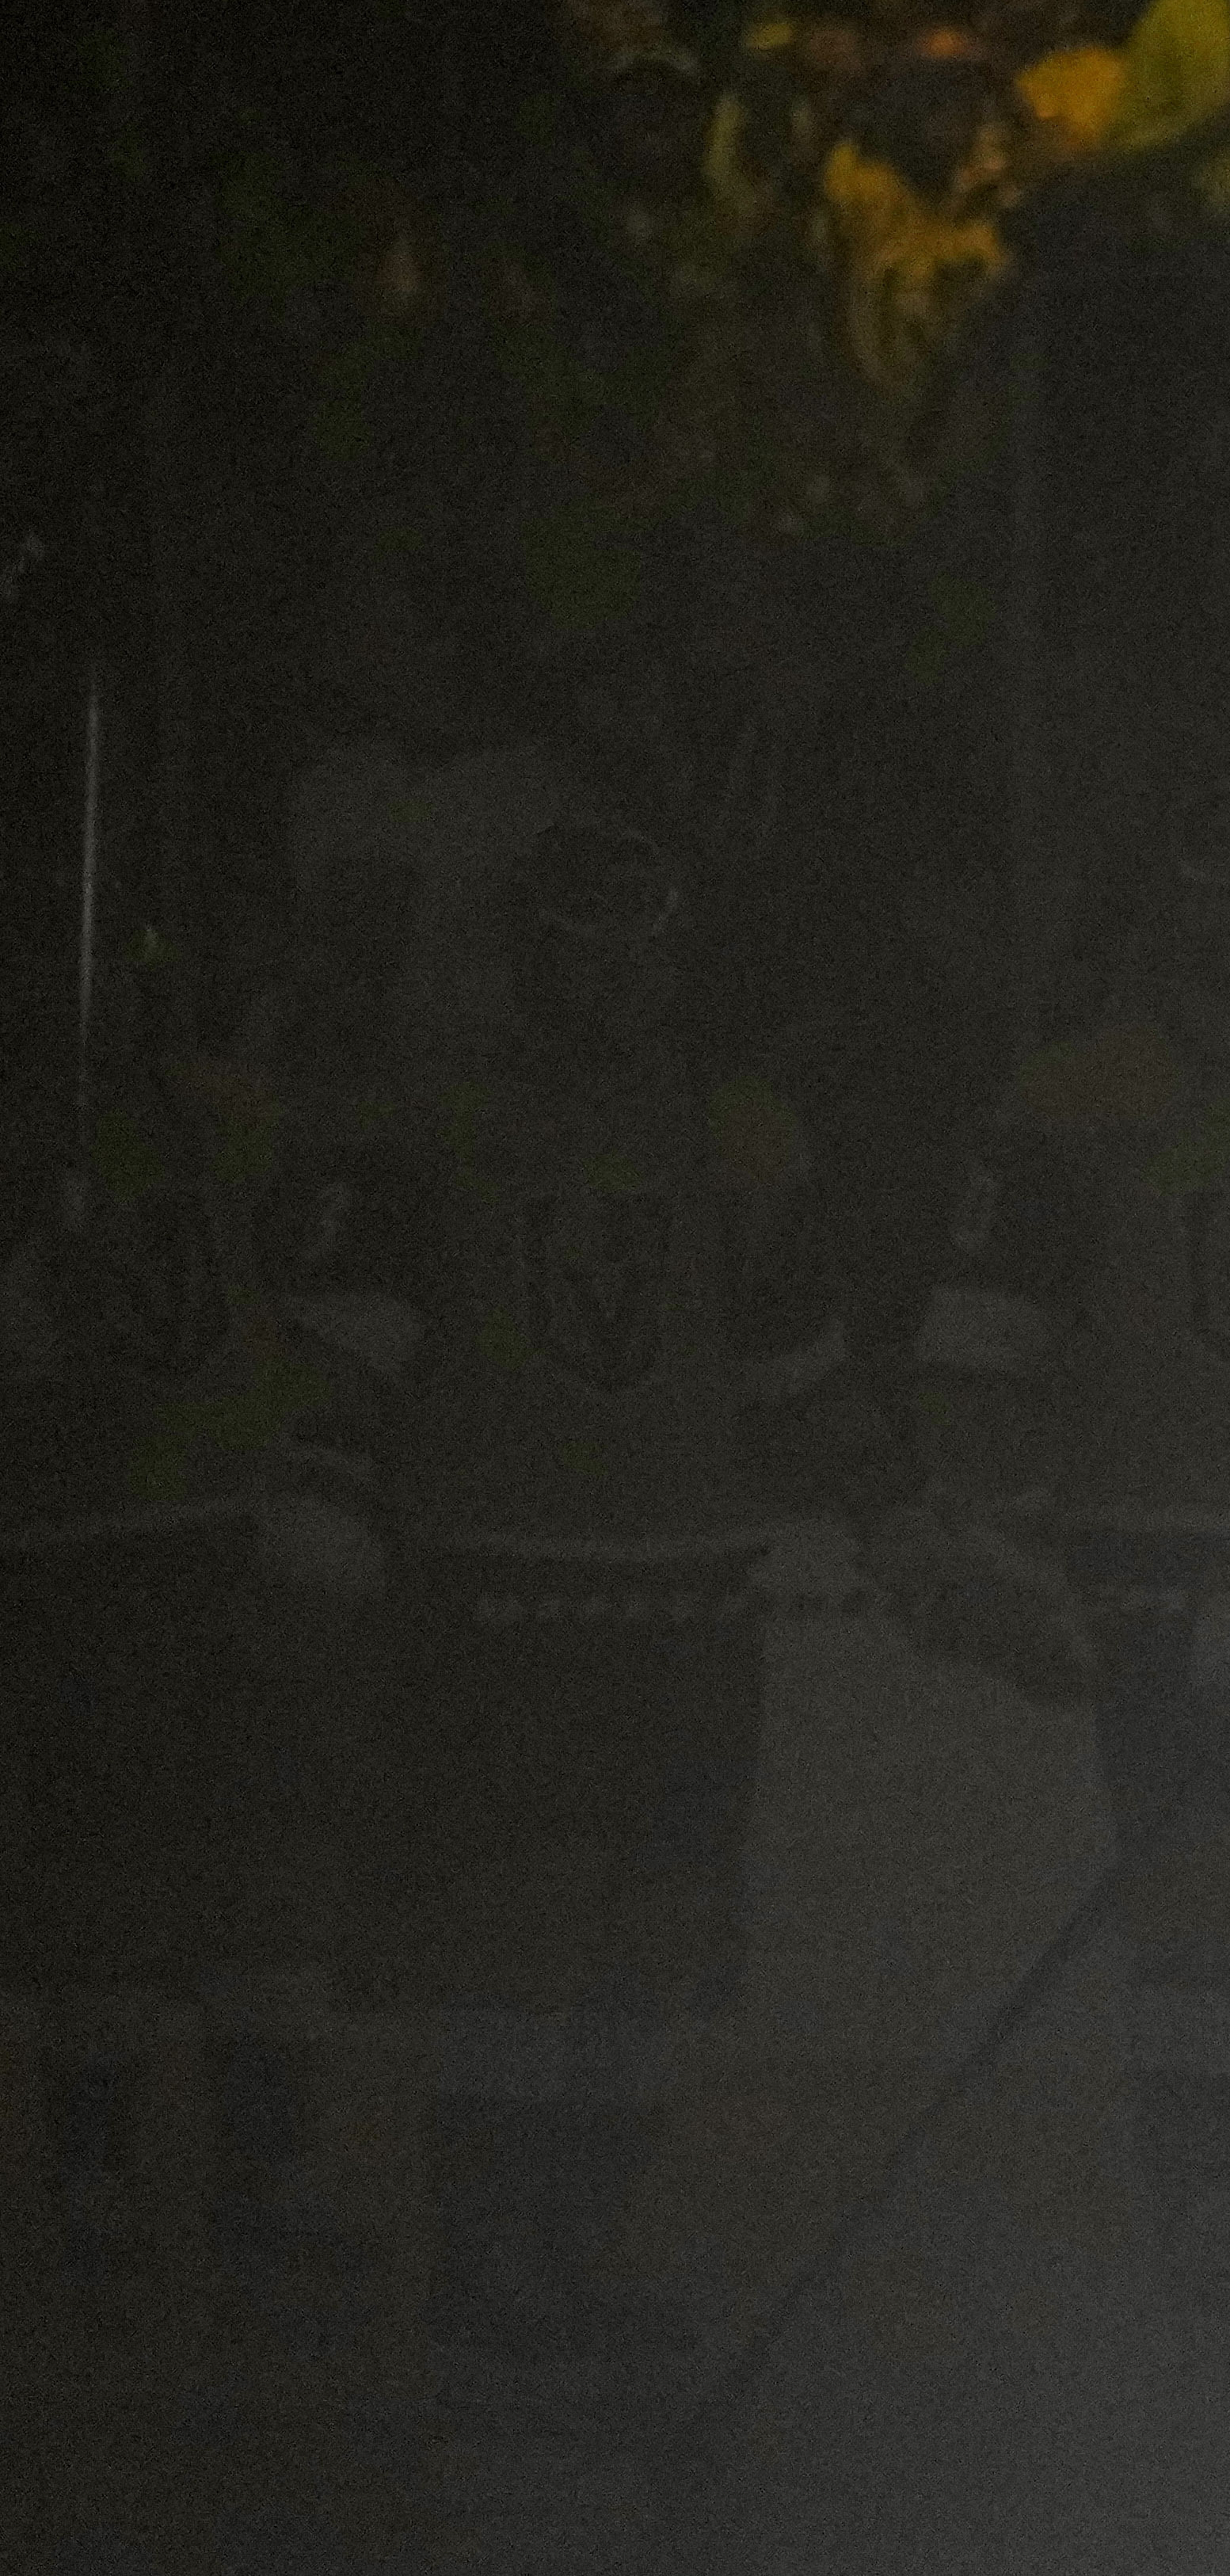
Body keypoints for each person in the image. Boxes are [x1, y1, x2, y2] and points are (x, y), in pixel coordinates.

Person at [304, 816, 859, 2420]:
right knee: (516, 1941)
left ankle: (576, 2249)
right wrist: (323, 1486)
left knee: (654, 1946)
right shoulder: (441, 1119)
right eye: (586, 938)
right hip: (500, 1590)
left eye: (649, 938)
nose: (621, 970)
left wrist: (899, 1507)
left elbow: (795, 1358)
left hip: (687, 1596)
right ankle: (484, 2267)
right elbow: (350, 1335)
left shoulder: (737, 1130)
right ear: (532, 952)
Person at [892, 775, 1230, 2343]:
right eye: (1212, 885)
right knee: (1202, 1897)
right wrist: (999, 1534)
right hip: (1150, 1547)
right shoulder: (1077, 1091)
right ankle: (1206, 2202)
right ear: (1173, 907)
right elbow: (978, 1344)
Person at [2, 952, 389, 2323]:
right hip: (84, 1557)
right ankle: (99, 2179)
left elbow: (326, 1308)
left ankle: (258, 2173)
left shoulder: (237, 1127)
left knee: (266, 1870)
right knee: (106, 1889)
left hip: (232, 1534)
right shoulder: (50, 1147)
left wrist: (318, 1487)